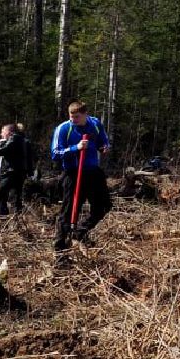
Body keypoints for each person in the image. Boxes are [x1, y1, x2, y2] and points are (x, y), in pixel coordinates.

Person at [50, 101, 112, 252]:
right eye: (71, 116)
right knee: (70, 210)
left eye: (77, 117)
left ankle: (80, 231)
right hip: (72, 173)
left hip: (92, 171)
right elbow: (55, 153)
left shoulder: (95, 124)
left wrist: (104, 147)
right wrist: (75, 148)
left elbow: (102, 141)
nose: (73, 120)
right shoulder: (64, 128)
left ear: (85, 114)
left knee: (104, 206)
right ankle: (60, 247)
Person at [0, 123, 32, 216]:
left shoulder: (14, 139)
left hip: (11, 172)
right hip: (13, 172)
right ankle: (11, 217)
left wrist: (1, 143)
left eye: (3, 131)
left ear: (9, 132)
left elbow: (2, 151)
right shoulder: (15, 140)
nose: (1, 134)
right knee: (14, 196)